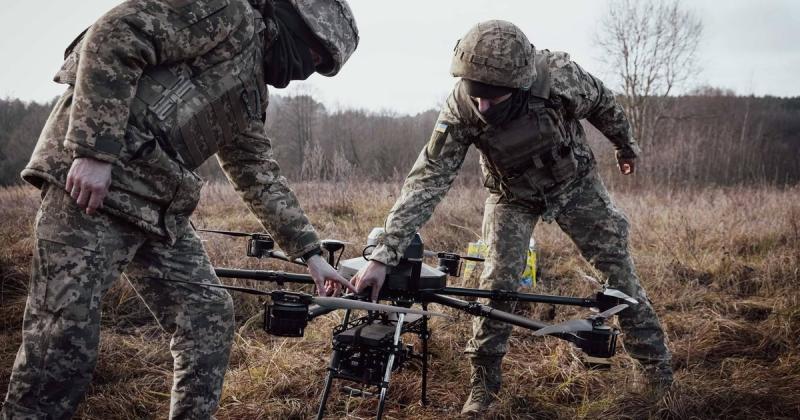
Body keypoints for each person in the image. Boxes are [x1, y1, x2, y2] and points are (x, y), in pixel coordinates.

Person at [1, 0, 359, 418]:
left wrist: (311, 255)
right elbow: (117, 33)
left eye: (320, 66)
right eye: (313, 54)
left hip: (155, 204)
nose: (308, 68)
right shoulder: (227, 13)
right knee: (62, 347)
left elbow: (256, 171)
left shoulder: (250, 92)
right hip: (90, 188)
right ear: (293, 23)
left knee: (206, 314)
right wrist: (95, 150)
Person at [351, 20, 672, 415]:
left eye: (494, 97)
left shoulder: (559, 79)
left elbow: (604, 103)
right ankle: (484, 385)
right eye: (475, 94)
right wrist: (383, 254)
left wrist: (626, 146)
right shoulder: (461, 107)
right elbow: (427, 179)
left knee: (619, 273)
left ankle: (656, 374)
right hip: (510, 195)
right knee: (498, 284)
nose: (482, 107)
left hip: (574, 184)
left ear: (520, 85)